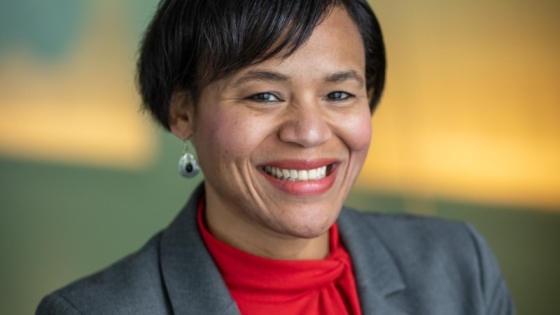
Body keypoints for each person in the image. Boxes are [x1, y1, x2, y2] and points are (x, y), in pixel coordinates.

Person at [36, 0, 515, 314]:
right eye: (264, 96)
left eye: (339, 94)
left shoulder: (458, 267)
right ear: (182, 113)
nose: (308, 132)